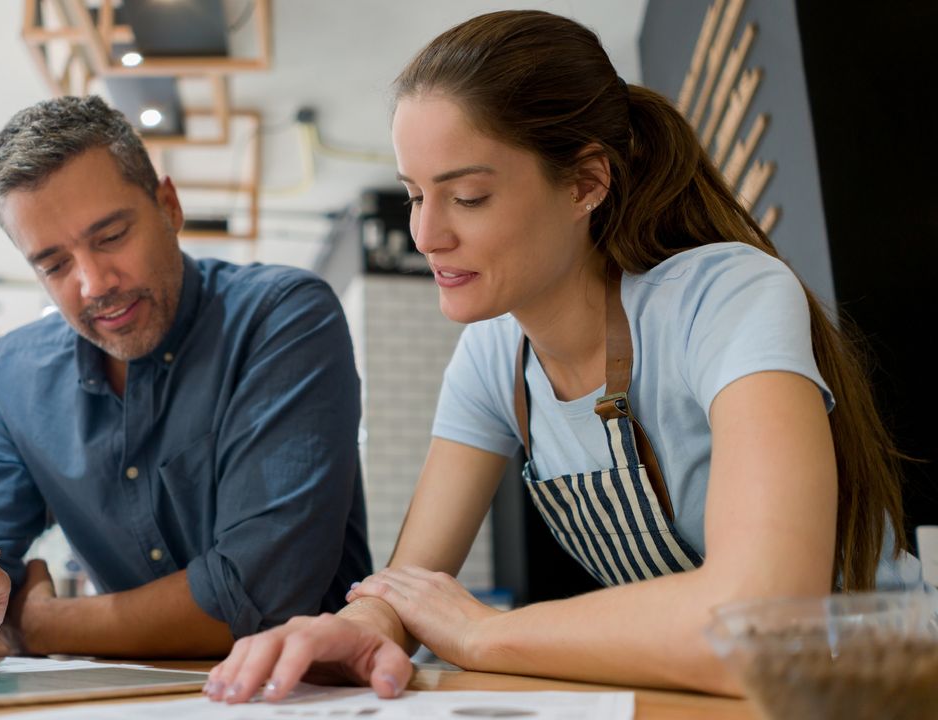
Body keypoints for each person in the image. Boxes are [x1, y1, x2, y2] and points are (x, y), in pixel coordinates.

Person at [205, 9, 922, 702]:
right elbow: (411, 584)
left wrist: (484, 634)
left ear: (586, 183)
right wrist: (359, 628)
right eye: (416, 194)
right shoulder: (491, 358)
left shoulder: (725, 297)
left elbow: (767, 627)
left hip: (876, 689)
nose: (425, 234)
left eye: (469, 196)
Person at [0, 95, 372, 675]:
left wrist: (37, 622)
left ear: (169, 206)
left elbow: (258, 596)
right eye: (54, 265)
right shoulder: (15, 375)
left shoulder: (282, 317)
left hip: (311, 696)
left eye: (111, 237)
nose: (95, 283)